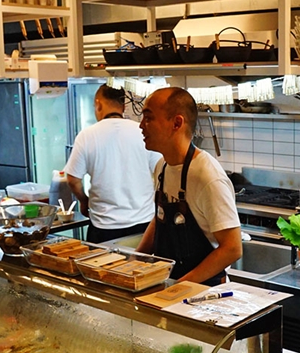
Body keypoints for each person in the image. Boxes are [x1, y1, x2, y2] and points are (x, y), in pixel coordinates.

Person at [135, 87, 242, 286]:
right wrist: (136, 261)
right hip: (169, 284)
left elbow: (232, 248)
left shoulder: (206, 176)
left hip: (203, 294)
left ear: (177, 123)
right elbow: (160, 217)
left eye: (148, 118)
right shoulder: (163, 166)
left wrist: (181, 286)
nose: (141, 126)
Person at [64, 84, 161, 244]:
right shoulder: (142, 131)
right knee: (142, 268)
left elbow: (72, 180)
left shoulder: (87, 136)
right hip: (144, 226)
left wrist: (84, 200)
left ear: (98, 103)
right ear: (123, 106)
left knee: (102, 268)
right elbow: (160, 172)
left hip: (104, 228)